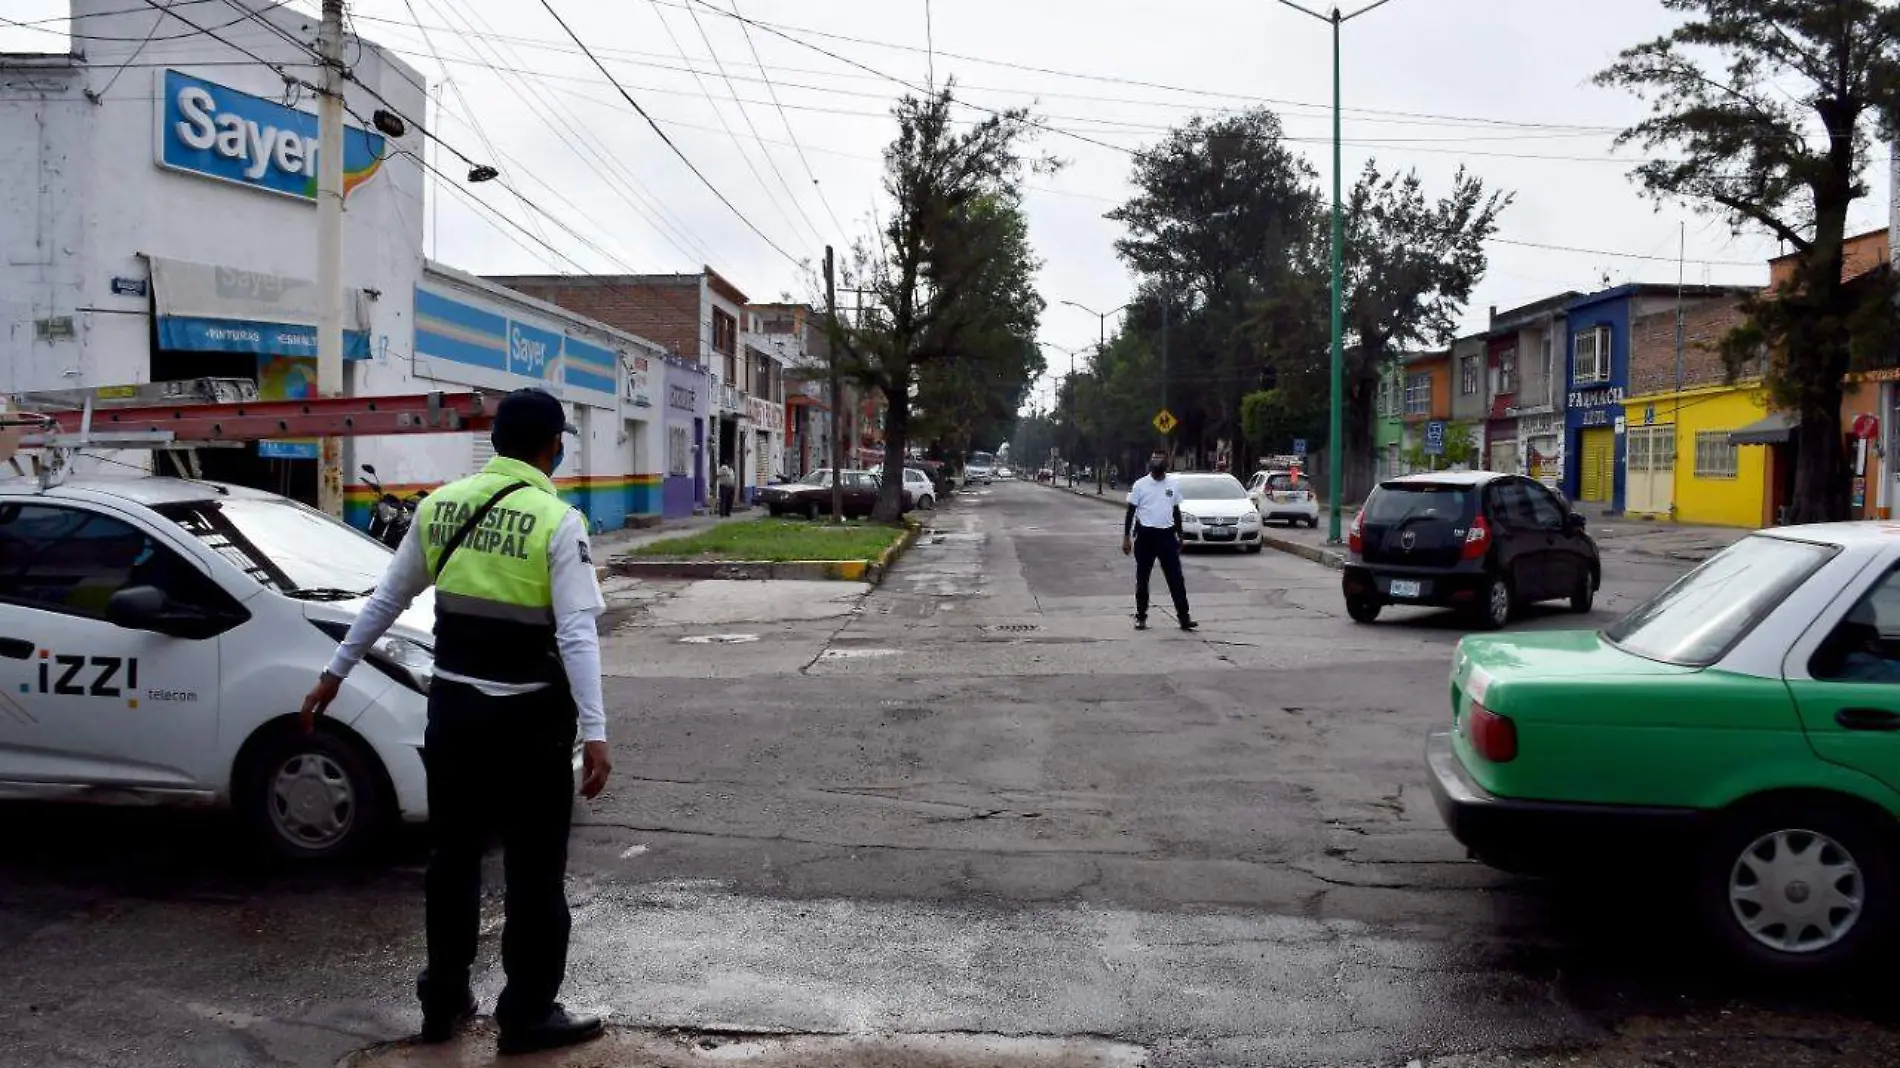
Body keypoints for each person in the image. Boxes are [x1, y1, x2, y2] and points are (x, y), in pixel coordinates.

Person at [300, 388, 612, 1056]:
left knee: (453, 861)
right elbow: (580, 635)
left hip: (455, 717)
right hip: (530, 726)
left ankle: (443, 999)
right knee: (533, 871)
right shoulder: (556, 520)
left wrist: (334, 673)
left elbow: (388, 599)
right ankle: (526, 1014)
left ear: (496, 440)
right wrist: (597, 733)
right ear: (551, 445)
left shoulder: (440, 506)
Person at [1122, 451, 1197, 632]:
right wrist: (1126, 538)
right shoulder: (1140, 485)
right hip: (1145, 537)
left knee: (1176, 579)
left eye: (1161, 472)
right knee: (1142, 579)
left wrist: (1181, 535)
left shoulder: (1172, 483)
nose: (1158, 475)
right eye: (1156, 472)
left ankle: (1184, 618)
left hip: (1167, 537)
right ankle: (1141, 617)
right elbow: (1131, 512)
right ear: (1151, 470)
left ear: (1165, 470)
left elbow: (1176, 511)